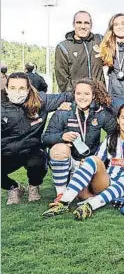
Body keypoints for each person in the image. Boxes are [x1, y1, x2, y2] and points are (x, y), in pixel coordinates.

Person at [42, 104, 124, 220]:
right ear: (118, 120)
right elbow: (97, 159)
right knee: (92, 160)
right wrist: (86, 163)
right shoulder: (110, 138)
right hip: (108, 182)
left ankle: (90, 205)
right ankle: (63, 202)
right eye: (123, 118)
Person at [1, 73, 72, 204]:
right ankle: (13, 187)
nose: (17, 92)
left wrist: (66, 104)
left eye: (21, 88)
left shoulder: (41, 100)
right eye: (12, 88)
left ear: (28, 89)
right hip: (5, 152)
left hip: (32, 150)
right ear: (6, 88)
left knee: (38, 160)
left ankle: (34, 185)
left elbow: (72, 95)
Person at [42, 79, 116, 198]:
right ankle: (60, 194)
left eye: (86, 94)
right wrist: (62, 137)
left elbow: (115, 135)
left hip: (90, 162)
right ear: (74, 94)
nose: (82, 97)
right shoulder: (64, 111)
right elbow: (45, 138)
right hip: (71, 161)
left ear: (93, 95)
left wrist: (98, 156)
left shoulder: (101, 113)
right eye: (78, 94)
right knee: (59, 149)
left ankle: (85, 183)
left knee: (86, 195)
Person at [54, 10, 105, 92]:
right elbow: (62, 79)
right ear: (73, 24)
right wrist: (72, 96)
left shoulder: (100, 40)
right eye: (79, 22)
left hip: (99, 96)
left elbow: (118, 37)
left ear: (91, 25)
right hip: (79, 98)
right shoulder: (63, 47)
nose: (83, 26)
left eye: (86, 23)